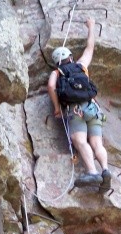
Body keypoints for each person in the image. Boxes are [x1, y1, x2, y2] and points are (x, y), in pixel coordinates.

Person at [47, 18, 110, 189]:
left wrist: (57, 108)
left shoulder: (57, 72)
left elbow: (52, 86)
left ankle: (92, 172)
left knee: (80, 140)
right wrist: (91, 27)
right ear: (71, 57)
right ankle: (105, 170)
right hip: (93, 108)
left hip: (75, 111)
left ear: (56, 62)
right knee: (97, 143)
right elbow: (90, 47)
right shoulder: (81, 66)